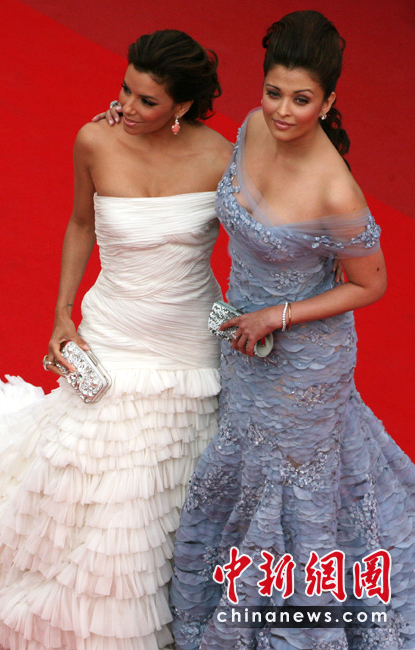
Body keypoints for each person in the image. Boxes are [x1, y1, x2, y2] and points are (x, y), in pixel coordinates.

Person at [0, 30, 233, 650]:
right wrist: (61, 313)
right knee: (84, 463)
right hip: (112, 329)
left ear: (182, 106)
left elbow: (268, 234)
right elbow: (79, 222)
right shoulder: (95, 140)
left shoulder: (224, 158)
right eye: (125, 89)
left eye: (147, 100)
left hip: (186, 341)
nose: (127, 106)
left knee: (153, 481)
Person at [169, 10, 415, 650]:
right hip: (242, 345)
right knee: (243, 468)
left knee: (290, 490)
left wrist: (276, 315)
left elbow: (371, 284)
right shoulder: (253, 127)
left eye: (302, 100)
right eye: (273, 92)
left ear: (328, 101)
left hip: (304, 366)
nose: (282, 111)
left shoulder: (336, 191)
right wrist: (136, 128)